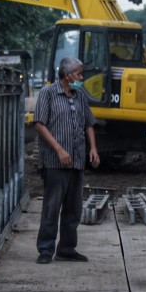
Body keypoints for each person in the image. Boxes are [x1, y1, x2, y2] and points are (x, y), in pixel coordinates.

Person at [35, 57, 100, 264]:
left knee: (74, 207)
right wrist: (59, 150)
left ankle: (67, 248)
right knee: (52, 206)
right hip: (55, 162)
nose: (82, 77)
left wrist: (94, 149)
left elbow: (89, 123)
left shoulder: (80, 95)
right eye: (79, 73)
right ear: (67, 74)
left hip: (77, 160)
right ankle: (46, 249)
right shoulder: (48, 93)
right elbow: (40, 124)